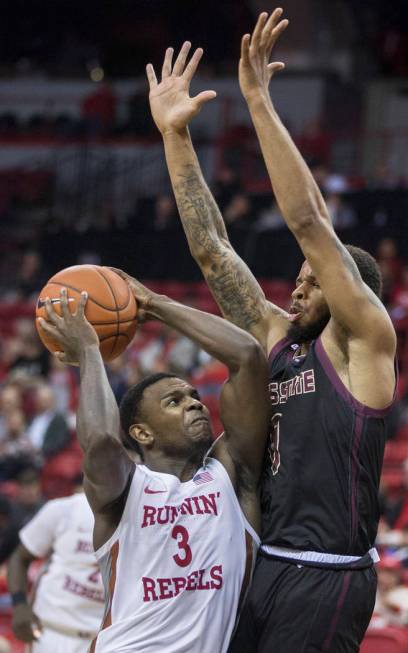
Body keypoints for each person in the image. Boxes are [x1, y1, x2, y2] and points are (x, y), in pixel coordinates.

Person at [146, 12, 397, 652]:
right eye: (300, 278)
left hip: (327, 574)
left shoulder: (364, 343)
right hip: (264, 558)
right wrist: (176, 137)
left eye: (315, 281)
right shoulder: (282, 338)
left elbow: (310, 222)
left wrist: (256, 98)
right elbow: (212, 251)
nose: (300, 286)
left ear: (351, 295)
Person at [36, 275, 270, 653]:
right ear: (142, 433)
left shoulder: (231, 475)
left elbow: (248, 357)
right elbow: (100, 441)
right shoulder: (126, 490)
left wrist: (156, 304)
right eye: (173, 402)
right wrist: (91, 351)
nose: (194, 403)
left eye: (193, 396)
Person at [7, 476, 104, 652]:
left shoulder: (141, 519)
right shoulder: (64, 509)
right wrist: (20, 604)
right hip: (52, 631)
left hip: (106, 638)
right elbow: (19, 558)